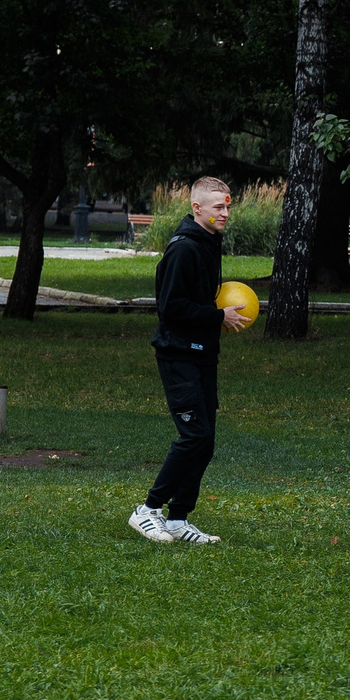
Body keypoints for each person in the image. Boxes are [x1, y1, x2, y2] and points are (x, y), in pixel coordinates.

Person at [129, 176, 247, 546]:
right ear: (197, 208)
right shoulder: (184, 248)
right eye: (218, 207)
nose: (225, 213)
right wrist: (218, 316)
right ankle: (147, 510)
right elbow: (171, 307)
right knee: (194, 436)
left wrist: (215, 318)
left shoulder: (209, 242)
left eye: (227, 206)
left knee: (205, 440)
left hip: (203, 354)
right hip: (178, 354)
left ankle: (178, 518)